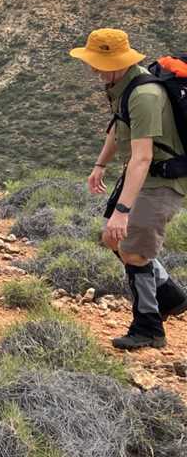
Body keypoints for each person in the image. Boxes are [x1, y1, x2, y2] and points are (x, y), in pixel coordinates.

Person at [71, 28, 187, 349]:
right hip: (144, 174)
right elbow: (118, 125)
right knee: (113, 238)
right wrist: (100, 165)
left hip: (162, 178)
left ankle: (149, 327)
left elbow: (143, 156)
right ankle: (171, 297)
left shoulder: (144, 95)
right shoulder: (123, 84)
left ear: (116, 60)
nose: (93, 69)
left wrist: (122, 211)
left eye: (97, 62)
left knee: (133, 250)